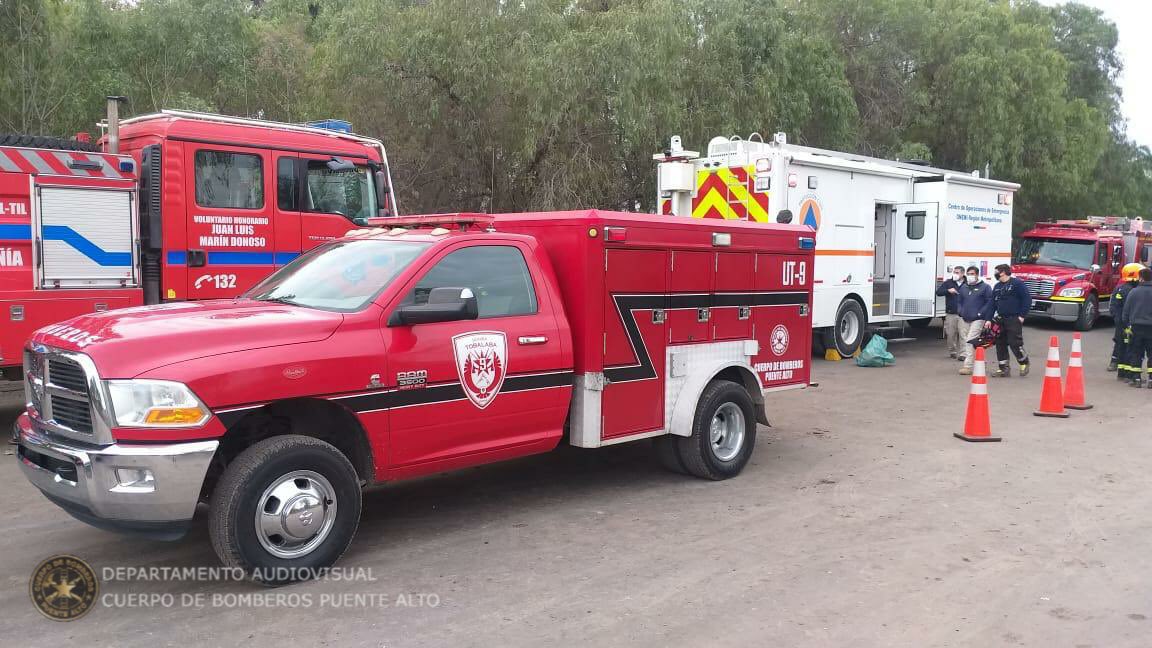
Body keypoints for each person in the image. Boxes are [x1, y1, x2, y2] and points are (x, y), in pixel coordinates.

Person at [980, 263, 1032, 377]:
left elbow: (1027, 300)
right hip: (1000, 319)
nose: (995, 274)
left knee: (1015, 342)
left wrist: (1022, 316)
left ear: (1003, 272)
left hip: (1014, 318)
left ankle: (1024, 362)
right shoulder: (997, 286)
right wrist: (988, 319)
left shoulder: (1017, 284)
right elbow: (992, 304)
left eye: (996, 271)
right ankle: (1004, 368)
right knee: (1000, 343)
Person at [1110, 263, 1145, 380]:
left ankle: (1120, 370)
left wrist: (1118, 320)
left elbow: (1113, 307)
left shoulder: (1119, 288)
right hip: (1130, 324)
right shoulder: (1134, 291)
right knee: (1131, 347)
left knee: (1121, 346)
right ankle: (1129, 374)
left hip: (1120, 324)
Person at [957, 266, 993, 376]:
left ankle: (968, 366)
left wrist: (981, 313)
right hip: (965, 317)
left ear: (977, 275)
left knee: (969, 341)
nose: (970, 276)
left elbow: (989, 302)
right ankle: (981, 362)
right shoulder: (964, 287)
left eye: (972, 274)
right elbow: (959, 301)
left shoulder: (985, 287)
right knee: (970, 342)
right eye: (968, 274)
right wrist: (960, 311)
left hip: (978, 319)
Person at [1121, 267, 1152, 388]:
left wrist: (1126, 326)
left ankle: (1136, 379)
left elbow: (1126, 312)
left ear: (1141, 278)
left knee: (1136, 353)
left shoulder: (1133, 292)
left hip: (1136, 327)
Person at [936, 267, 965, 359]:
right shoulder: (948, 282)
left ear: (962, 273)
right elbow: (938, 292)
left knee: (963, 334)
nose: (955, 274)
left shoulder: (967, 283)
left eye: (957, 272)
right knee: (950, 334)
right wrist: (948, 290)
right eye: (954, 272)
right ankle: (952, 351)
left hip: (963, 314)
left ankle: (963, 354)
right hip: (951, 313)